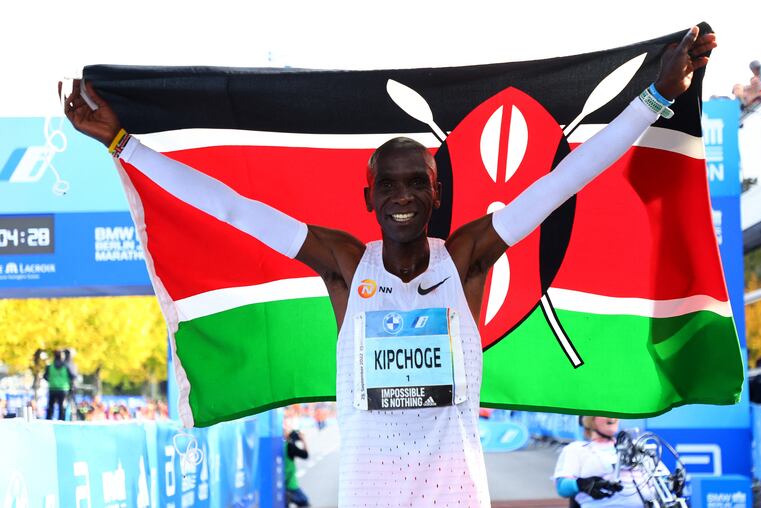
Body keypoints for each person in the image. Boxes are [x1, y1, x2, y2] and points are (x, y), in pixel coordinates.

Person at [62, 26, 715, 507]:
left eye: (417, 183)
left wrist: (655, 98)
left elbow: (562, 180)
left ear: (437, 195)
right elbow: (234, 209)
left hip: (457, 494)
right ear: (368, 197)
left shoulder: (465, 256)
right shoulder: (346, 265)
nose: (403, 195)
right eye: (390, 184)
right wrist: (124, 145)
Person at [553, 417, 654, 507]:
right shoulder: (577, 449)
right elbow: (562, 488)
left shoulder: (635, 447)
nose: (613, 417)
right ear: (589, 419)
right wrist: (582, 484)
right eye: (605, 413)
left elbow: (659, 477)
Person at [43, 349, 75, 420]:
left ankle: (48, 420)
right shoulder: (66, 366)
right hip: (63, 389)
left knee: (50, 407)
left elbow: (45, 376)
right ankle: (61, 421)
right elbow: (73, 376)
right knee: (62, 407)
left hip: (52, 388)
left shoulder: (50, 366)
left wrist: (51, 380)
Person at [284, 429, 311, 507]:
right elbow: (305, 455)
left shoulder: (278, 446)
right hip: (290, 484)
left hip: (279, 484)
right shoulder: (289, 446)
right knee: (304, 502)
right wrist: (303, 440)